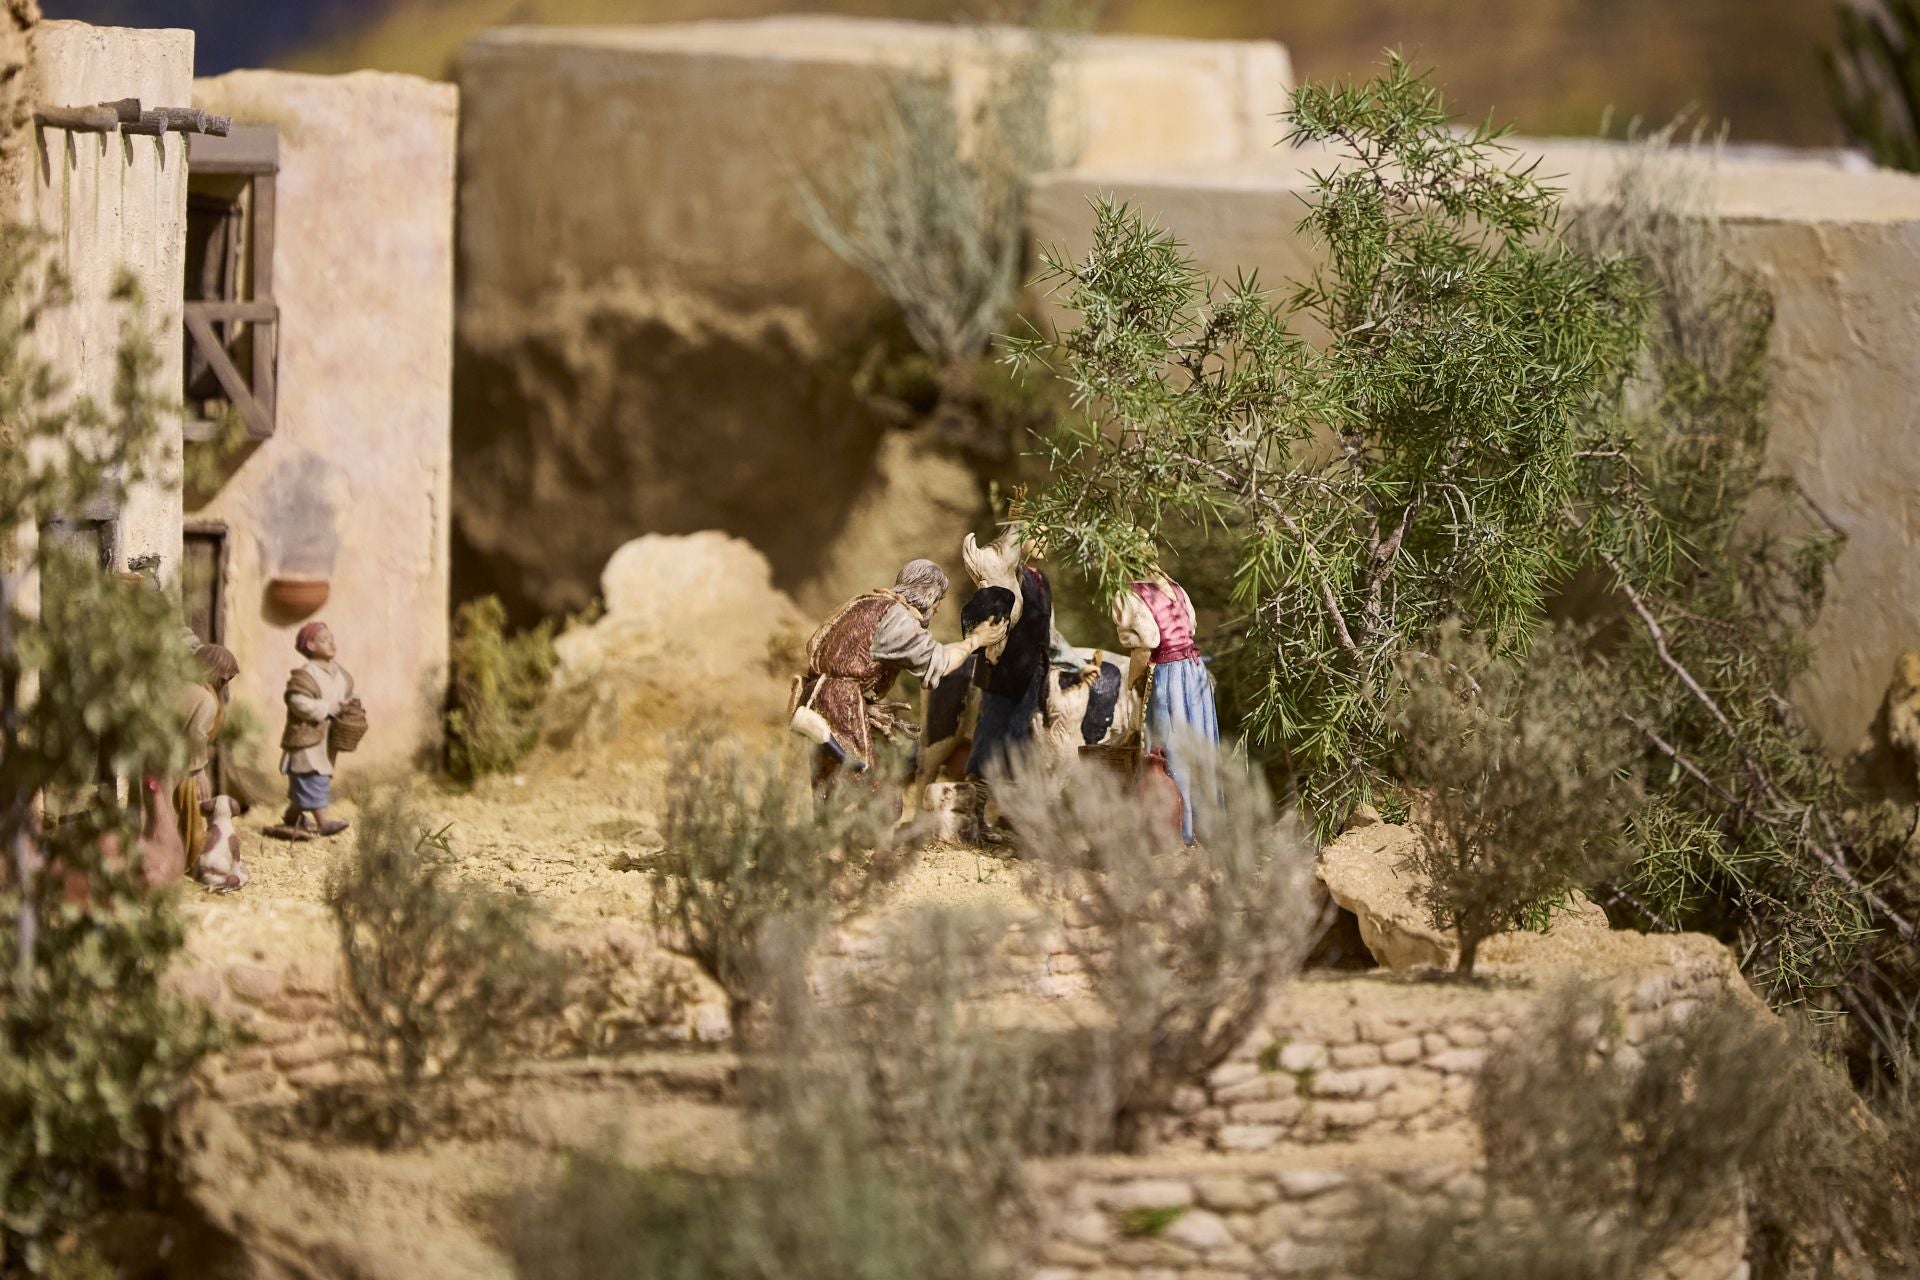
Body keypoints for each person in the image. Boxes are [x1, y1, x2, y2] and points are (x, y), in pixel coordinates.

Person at [792, 560, 1007, 781]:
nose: (937, 608)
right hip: (838, 702)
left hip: (822, 697)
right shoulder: (896, 618)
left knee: (832, 786)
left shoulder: (866, 603)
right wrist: (975, 640)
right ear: (928, 594)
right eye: (938, 600)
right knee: (862, 790)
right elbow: (937, 661)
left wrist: (864, 705)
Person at [1113, 572, 1220, 844]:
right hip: (1194, 670)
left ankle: (1178, 832)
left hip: (1167, 675)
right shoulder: (1175, 586)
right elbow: (1190, 631)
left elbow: (1146, 645)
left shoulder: (1129, 592)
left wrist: (1133, 681)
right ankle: (1206, 828)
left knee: (1167, 749)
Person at [277, 620, 356, 838]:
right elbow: (298, 703)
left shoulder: (340, 674)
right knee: (311, 777)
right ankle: (324, 822)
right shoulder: (306, 674)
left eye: (331, 639)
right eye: (324, 640)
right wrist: (329, 708)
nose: (331, 644)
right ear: (310, 645)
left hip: (327, 738)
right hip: (306, 736)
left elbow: (344, 698)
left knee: (313, 779)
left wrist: (350, 706)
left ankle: (292, 817)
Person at [177, 642, 238, 855]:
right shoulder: (205, 700)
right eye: (225, 678)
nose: (225, 683)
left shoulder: (185, 687)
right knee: (190, 809)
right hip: (181, 768)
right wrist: (199, 771)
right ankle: (190, 856)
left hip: (169, 762)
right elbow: (195, 735)